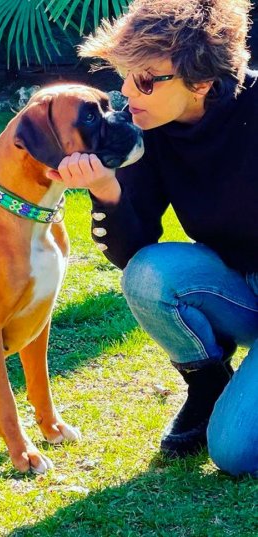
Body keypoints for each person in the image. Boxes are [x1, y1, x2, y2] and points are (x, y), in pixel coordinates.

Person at [48, 0, 258, 476]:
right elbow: (132, 251)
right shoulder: (150, 127)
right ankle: (208, 386)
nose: (126, 91)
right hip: (241, 286)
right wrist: (106, 188)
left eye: (145, 78)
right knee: (150, 275)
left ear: (202, 82)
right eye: (125, 74)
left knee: (234, 453)